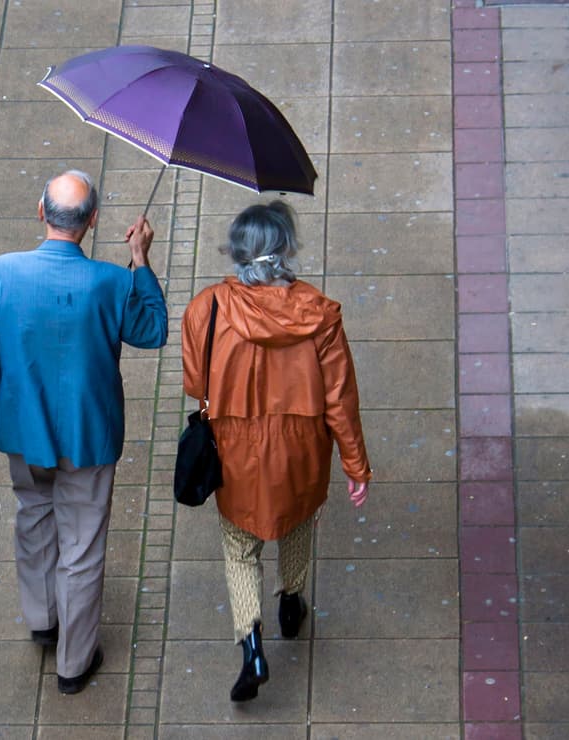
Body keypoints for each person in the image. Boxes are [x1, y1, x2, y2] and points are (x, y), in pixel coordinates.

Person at [0, 169, 167, 695]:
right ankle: (74, 663)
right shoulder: (112, 282)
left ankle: (42, 618)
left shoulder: (1, 274)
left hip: (26, 433)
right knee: (83, 547)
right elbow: (153, 331)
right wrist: (140, 259)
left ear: (40, 211)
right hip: (90, 437)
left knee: (34, 518)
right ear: (92, 221)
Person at [180, 200, 371, 703]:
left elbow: (194, 382)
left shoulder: (208, 308)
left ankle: (252, 643)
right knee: (298, 518)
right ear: (285, 250)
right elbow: (340, 399)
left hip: (236, 450)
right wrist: (356, 464)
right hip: (301, 450)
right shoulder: (319, 313)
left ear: (237, 250)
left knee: (239, 547)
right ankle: (292, 598)